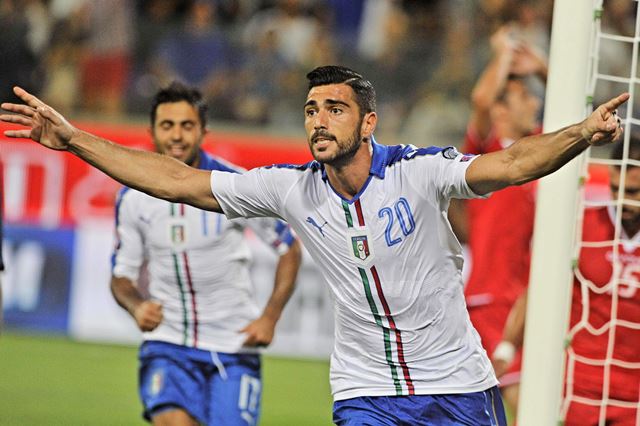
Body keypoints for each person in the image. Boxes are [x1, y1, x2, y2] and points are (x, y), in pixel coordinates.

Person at [0, 65, 627, 425]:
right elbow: (178, 179)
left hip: (458, 384)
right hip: (365, 391)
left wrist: (580, 132)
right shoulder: (289, 189)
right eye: (309, 110)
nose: (318, 120)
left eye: (334, 108)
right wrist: (76, 139)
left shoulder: (419, 171)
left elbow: (513, 163)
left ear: (368, 122)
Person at [110, 81, 302, 425]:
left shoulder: (233, 185)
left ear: (203, 131)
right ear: (152, 131)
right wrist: (137, 305)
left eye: (187, 126)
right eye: (167, 126)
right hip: (167, 345)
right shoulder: (132, 197)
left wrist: (270, 316)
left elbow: (288, 248)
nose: (177, 136)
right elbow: (121, 275)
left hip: (233, 346)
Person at [495, 138, 640, 425]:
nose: (620, 198)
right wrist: (507, 348)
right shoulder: (578, 226)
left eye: (633, 191)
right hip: (575, 384)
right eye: (615, 188)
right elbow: (537, 288)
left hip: (633, 393)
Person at [448, 24, 547, 414]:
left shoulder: (538, 152)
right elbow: (481, 98)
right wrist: (503, 52)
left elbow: (579, 123)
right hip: (492, 299)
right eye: (525, 96)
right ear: (502, 110)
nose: (535, 105)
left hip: (527, 299)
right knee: (519, 401)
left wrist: (541, 68)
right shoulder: (486, 156)